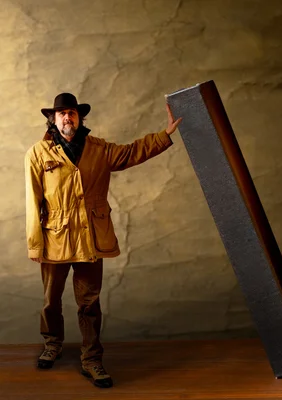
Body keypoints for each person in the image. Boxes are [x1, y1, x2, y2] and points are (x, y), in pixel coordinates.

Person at [24, 93, 182, 388]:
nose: (67, 118)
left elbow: (133, 152)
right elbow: (33, 202)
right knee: (50, 300)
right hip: (55, 238)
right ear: (53, 119)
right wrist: (35, 243)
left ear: (80, 117)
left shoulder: (99, 149)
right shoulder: (38, 153)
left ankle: (92, 359)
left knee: (89, 303)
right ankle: (52, 344)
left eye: (71, 112)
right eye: (61, 114)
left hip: (90, 238)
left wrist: (165, 135)